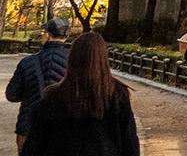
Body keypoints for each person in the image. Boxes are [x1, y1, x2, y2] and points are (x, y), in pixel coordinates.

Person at [20, 31, 139, 156]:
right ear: (104, 58)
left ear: (72, 58)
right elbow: (129, 141)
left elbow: (36, 141)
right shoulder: (116, 94)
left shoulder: (54, 95)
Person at [4, 18, 70, 153]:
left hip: (29, 126)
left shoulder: (27, 62)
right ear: (67, 36)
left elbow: (11, 95)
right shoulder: (75, 62)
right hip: (63, 128)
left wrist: (30, 93)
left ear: (47, 35)